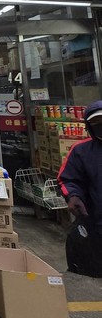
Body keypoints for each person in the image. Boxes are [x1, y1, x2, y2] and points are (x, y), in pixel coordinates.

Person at [57, 100, 102, 277]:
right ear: (89, 126)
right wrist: (73, 196)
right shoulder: (81, 151)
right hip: (94, 224)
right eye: (96, 122)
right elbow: (68, 178)